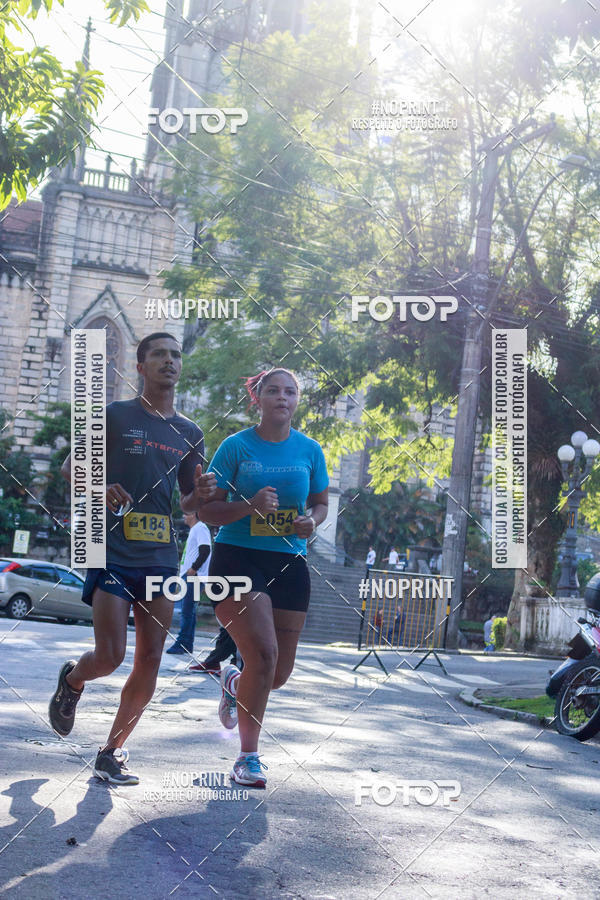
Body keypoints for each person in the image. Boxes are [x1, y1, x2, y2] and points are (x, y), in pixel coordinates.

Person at [48, 332, 216, 785]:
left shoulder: (190, 432)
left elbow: (186, 505)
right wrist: (100, 489)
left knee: (150, 660)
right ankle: (73, 680)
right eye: (159, 354)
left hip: (162, 557)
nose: (169, 361)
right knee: (110, 654)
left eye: (175, 354)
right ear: (140, 367)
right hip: (114, 552)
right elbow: (70, 468)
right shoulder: (116, 415)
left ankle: (112, 751)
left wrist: (198, 497)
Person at [199, 368, 329, 789]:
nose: (282, 397)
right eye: (273, 390)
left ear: (297, 401)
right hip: (237, 557)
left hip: (290, 562)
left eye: (290, 391)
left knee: (278, 674)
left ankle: (235, 680)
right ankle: (247, 757)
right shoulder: (236, 447)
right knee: (265, 655)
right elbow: (206, 512)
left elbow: (321, 502)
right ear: (257, 398)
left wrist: (312, 522)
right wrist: (249, 506)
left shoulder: (310, 449)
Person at [166, 511, 212, 655]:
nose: (184, 515)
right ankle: (187, 644)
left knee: (187, 611)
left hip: (194, 576)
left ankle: (182, 643)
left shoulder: (200, 527)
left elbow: (205, 550)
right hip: (191, 576)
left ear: (194, 514)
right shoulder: (195, 529)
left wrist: (194, 569)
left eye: (186, 513)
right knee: (189, 611)